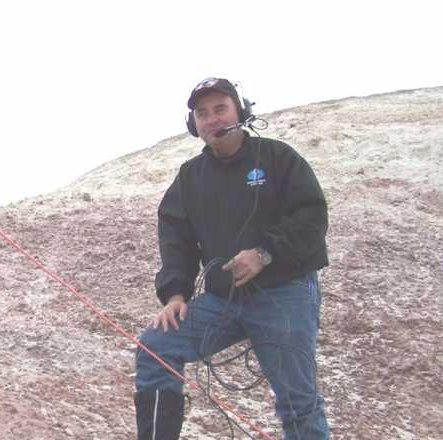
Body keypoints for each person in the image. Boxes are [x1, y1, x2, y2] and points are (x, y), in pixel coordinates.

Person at [133, 77, 331, 439]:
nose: (212, 119)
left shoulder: (279, 158)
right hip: (223, 300)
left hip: (285, 293)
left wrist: (264, 253)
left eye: (220, 108)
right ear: (193, 124)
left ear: (240, 111)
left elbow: (311, 219)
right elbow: (176, 238)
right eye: (202, 113)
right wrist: (175, 295)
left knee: (298, 402)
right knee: (157, 346)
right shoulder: (190, 177)